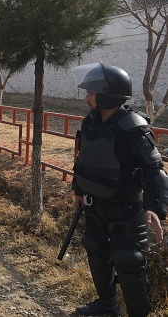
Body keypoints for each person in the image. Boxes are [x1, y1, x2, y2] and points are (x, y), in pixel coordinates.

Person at [71, 63, 167, 317]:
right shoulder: (90, 121)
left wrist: (153, 208)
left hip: (125, 207)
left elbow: (153, 169)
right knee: (95, 249)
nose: (86, 97)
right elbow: (82, 159)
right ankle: (106, 305)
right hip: (94, 203)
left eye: (91, 92)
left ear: (107, 94)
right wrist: (78, 189)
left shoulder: (133, 127)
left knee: (129, 260)